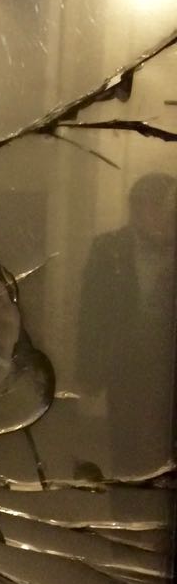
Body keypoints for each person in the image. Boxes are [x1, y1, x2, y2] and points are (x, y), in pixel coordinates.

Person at [77, 172, 176, 476]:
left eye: (162, 208)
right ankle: (128, 495)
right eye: (147, 207)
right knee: (126, 440)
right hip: (126, 364)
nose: (156, 216)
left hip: (169, 364)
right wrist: (88, 370)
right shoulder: (110, 249)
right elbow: (91, 311)